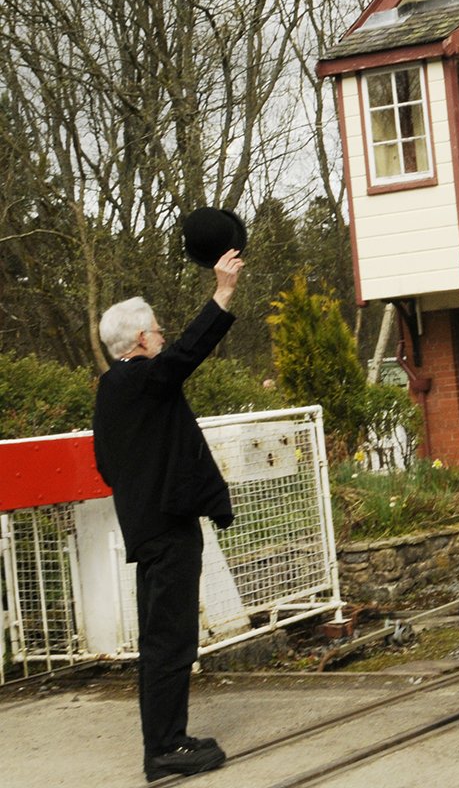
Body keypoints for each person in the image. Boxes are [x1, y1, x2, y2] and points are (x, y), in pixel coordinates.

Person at [93, 248, 244, 782]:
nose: (162, 337)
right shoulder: (139, 379)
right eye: (157, 332)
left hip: (151, 529)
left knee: (166, 637)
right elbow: (186, 355)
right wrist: (222, 294)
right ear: (140, 342)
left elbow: (107, 467)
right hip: (166, 532)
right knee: (169, 641)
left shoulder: (114, 393)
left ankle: (169, 740)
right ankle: (163, 750)